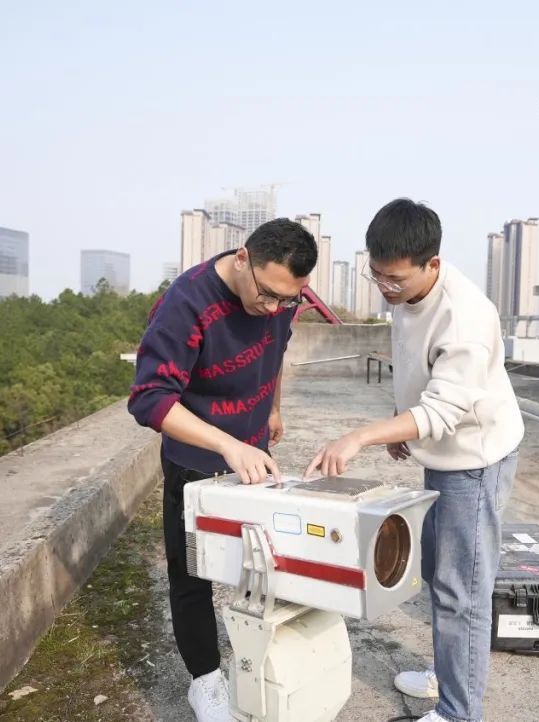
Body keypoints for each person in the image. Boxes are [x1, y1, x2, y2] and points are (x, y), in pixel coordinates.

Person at [304, 198, 523, 722]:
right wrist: (402, 420)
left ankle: (457, 711)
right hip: (440, 449)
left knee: (461, 590)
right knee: (438, 573)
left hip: (475, 458)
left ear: (433, 264)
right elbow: (417, 371)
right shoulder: (405, 293)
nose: (385, 289)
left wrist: (364, 436)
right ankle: (448, 674)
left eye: (395, 280)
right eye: (376, 275)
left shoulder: (465, 314)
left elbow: (448, 406)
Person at [129, 218, 317, 722]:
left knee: (263, 566)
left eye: (288, 299)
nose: (275, 308)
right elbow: (149, 399)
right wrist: (226, 445)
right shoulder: (186, 303)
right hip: (196, 462)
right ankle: (206, 682)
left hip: (253, 458)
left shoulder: (282, 296)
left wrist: (273, 408)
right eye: (269, 295)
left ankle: (260, 665)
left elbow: (276, 350)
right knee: (191, 573)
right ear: (242, 258)